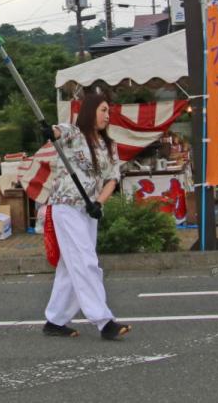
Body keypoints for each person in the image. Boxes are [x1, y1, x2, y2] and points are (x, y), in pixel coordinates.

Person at [42, 92, 131, 341]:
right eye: (103, 110)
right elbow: (58, 131)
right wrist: (49, 132)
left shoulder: (108, 145)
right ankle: (104, 321)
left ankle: (55, 319)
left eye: (108, 111)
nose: (107, 115)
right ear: (90, 110)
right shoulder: (74, 133)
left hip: (89, 211)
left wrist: (98, 203)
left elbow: (113, 178)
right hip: (66, 206)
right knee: (85, 260)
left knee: (71, 266)